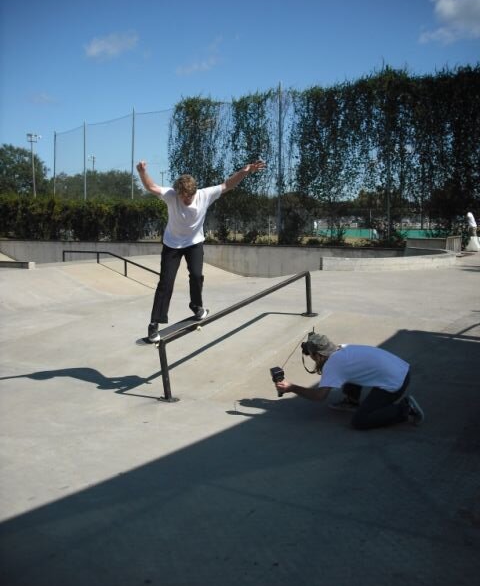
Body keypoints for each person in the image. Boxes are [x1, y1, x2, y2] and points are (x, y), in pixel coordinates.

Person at [136, 160, 266, 341]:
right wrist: (142, 172)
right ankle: (154, 324)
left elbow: (228, 184)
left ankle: (197, 307)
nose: (186, 200)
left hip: (194, 243)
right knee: (166, 282)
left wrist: (245, 171)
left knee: (196, 275)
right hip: (172, 245)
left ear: (194, 192)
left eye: (189, 197)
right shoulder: (171, 195)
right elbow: (151, 187)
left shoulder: (205, 194)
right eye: (183, 197)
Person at [275, 332, 424, 430]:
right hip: (401, 370)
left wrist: (292, 387)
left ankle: (405, 409)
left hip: (395, 383)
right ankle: (351, 401)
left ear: (319, 355)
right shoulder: (341, 348)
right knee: (352, 371)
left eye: (312, 355)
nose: (312, 358)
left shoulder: (333, 365)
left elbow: (319, 396)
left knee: (360, 421)